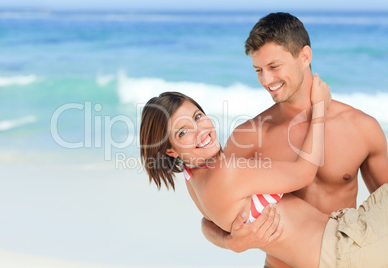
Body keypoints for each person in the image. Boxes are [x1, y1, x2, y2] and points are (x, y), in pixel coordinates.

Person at [200, 12, 388, 267]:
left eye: (274, 67)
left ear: (305, 56)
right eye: (258, 70)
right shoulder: (249, 136)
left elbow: (383, 213)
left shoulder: (361, 128)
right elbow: (208, 217)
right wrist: (229, 242)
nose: (266, 81)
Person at [139, 85, 388, 267]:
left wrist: (230, 243)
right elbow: (303, 173)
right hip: (343, 252)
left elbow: (207, 223)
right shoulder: (227, 172)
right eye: (183, 132)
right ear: (170, 149)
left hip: (342, 238)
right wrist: (320, 109)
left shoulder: (193, 180)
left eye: (197, 117)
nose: (200, 130)